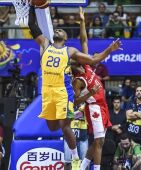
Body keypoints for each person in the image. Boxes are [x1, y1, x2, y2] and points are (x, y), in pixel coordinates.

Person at [28, 5, 122, 169]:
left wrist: (108, 48)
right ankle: (80, 159)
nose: (58, 30)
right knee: (52, 127)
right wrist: (30, 7)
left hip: (74, 98)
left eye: (60, 31)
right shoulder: (47, 45)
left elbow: (85, 44)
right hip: (50, 94)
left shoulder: (77, 59)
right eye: (57, 30)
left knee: (77, 131)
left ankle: (78, 160)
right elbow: (32, 26)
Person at [71, 8, 111, 170]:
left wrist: (82, 22)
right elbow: (74, 101)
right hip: (94, 108)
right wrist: (91, 93)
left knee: (98, 142)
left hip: (103, 106)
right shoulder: (78, 80)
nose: (82, 54)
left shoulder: (86, 66)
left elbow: (84, 41)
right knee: (99, 141)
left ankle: (82, 167)